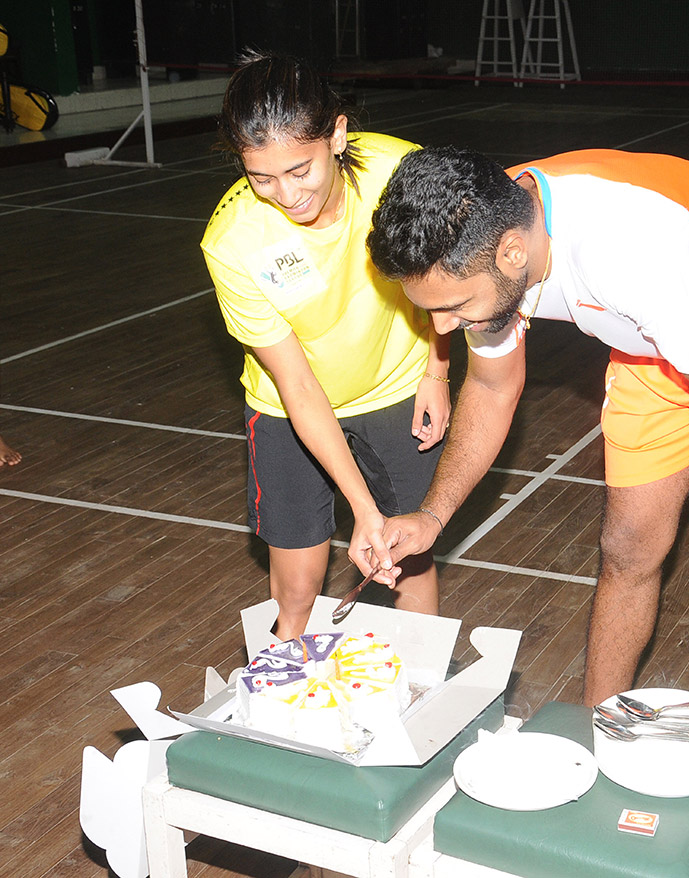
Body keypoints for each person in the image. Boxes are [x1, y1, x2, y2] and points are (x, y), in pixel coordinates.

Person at [365, 146, 689, 746]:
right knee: (628, 548)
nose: (444, 327)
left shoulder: (620, 248)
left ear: (513, 252)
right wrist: (431, 516)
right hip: (658, 343)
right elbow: (490, 386)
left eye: (453, 307)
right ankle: (596, 741)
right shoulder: (483, 230)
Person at [202, 52, 449, 640]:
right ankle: (282, 690)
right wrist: (362, 509)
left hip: (396, 385)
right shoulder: (233, 242)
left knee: (408, 558)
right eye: (261, 178)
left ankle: (423, 687)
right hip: (288, 407)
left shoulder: (400, 174)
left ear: (336, 135)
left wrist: (436, 372)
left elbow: (446, 284)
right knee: (298, 586)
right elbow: (297, 386)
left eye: (300, 170)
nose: (286, 194)